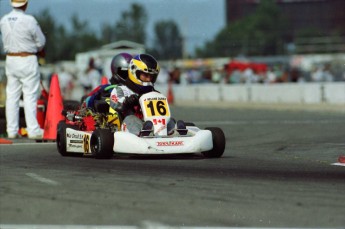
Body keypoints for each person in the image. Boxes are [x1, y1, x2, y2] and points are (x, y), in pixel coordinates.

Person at [0, 0, 46, 139]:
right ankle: (33, 130)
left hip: (11, 59)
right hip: (27, 59)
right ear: (25, 4)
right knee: (30, 96)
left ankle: (12, 130)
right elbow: (41, 42)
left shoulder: (3, 19)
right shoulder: (29, 20)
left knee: (12, 96)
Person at [109, 54, 186, 136]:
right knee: (132, 120)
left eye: (151, 76)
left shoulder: (153, 92)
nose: (149, 79)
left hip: (153, 123)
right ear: (134, 72)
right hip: (127, 122)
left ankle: (175, 130)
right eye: (145, 75)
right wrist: (127, 102)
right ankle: (143, 133)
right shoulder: (121, 89)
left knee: (169, 120)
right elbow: (115, 104)